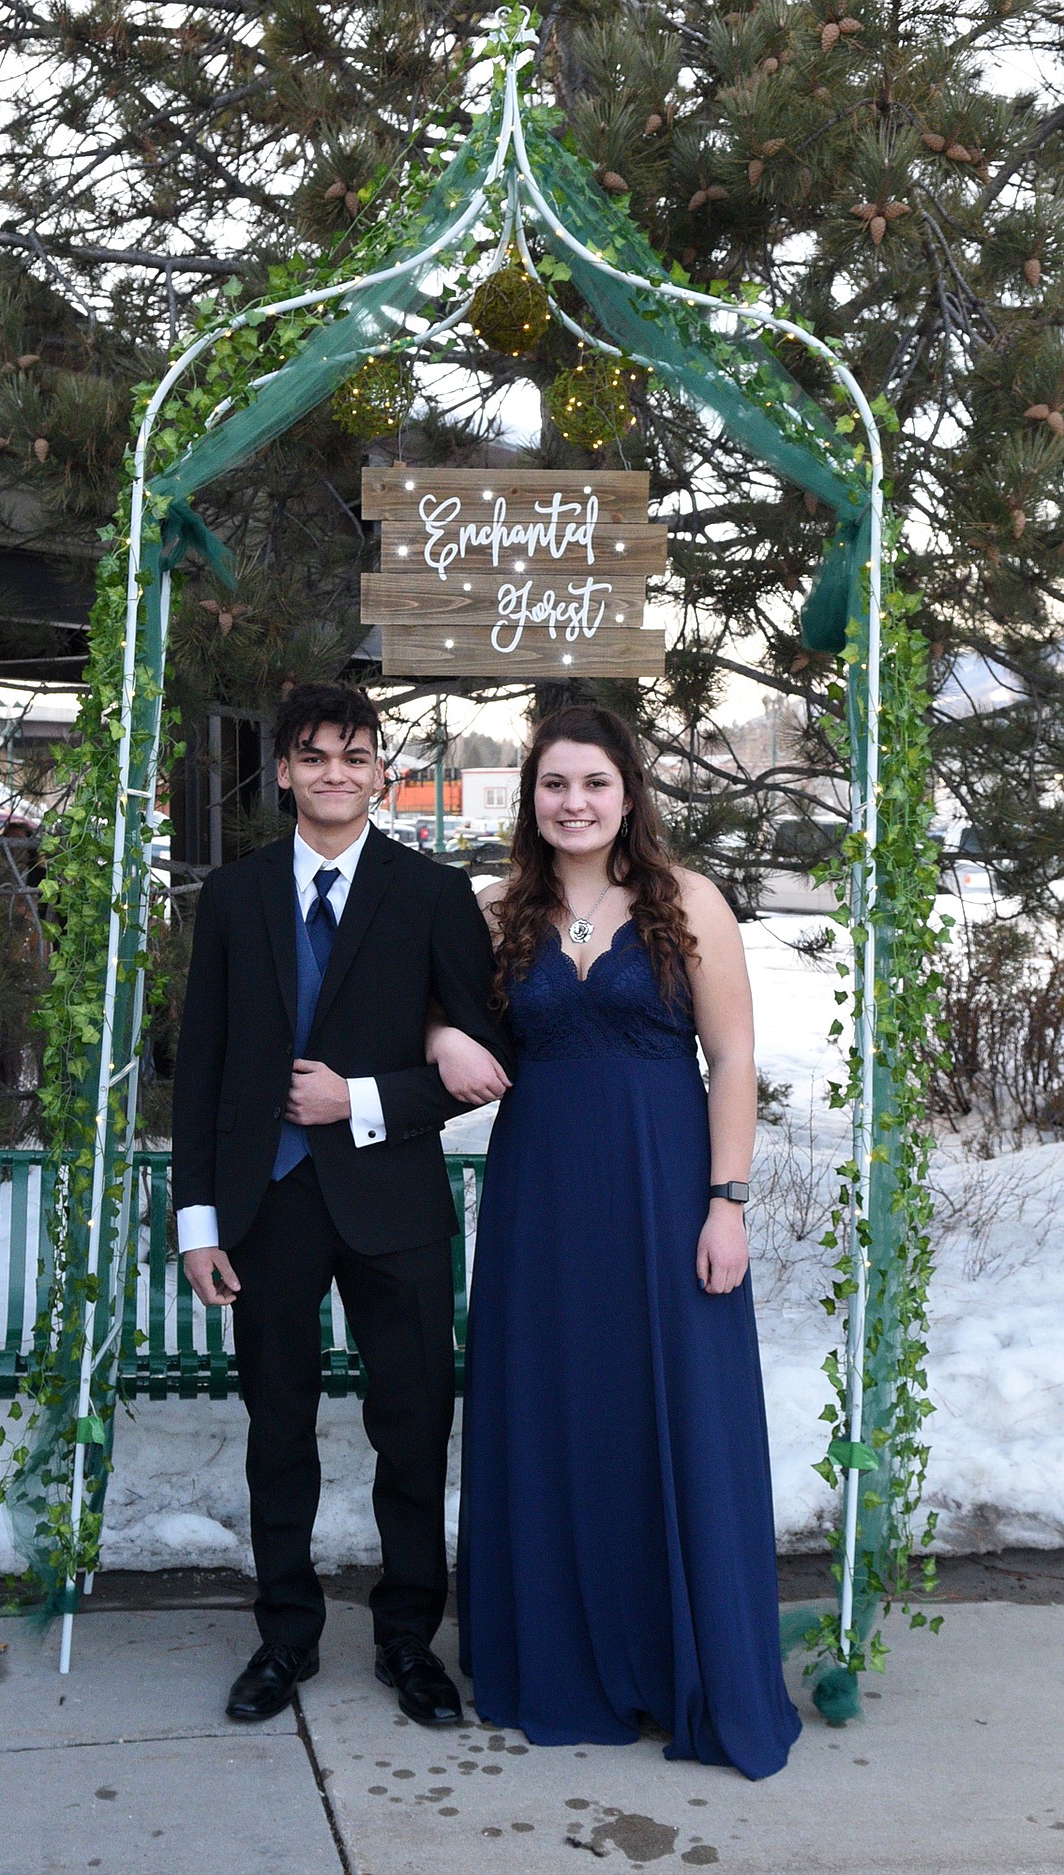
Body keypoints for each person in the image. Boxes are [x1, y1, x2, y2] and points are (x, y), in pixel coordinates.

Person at [430, 704, 802, 1780]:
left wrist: (727, 1200)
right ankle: (562, 1656)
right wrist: (446, 1031)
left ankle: (678, 1661)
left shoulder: (689, 902)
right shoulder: (498, 910)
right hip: (541, 1199)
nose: (575, 802)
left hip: (665, 1190)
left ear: (628, 792)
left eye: (594, 782)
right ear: (531, 799)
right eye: (555, 785)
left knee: (669, 1412)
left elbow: (732, 1062)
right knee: (554, 1410)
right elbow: (429, 1017)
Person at [172, 682, 512, 1728]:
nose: (334, 772)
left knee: (413, 1427)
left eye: (354, 755)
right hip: (267, 1204)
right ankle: (285, 1638)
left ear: (379, 771)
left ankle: (410, 1642)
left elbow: (493, 1057)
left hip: (392, 1199)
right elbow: (203, 1068)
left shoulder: (430, 894)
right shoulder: (233, 898)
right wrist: (199, 1221)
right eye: (312, 756)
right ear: (283, 771)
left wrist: (359, 1098)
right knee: (278, 1431)